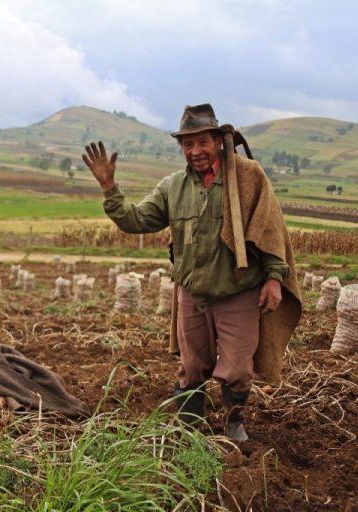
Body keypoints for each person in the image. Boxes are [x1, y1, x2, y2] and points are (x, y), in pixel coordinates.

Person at [82, 103, 301, 441]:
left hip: (237, 290)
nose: (195, 151)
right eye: (188, 144)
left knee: (239, 367)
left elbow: (270, 228)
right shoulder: (173, 187)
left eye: (202, 143)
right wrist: (110, 188)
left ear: (217, 141)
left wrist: (274, 278)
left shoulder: (246, 177)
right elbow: (136, 220)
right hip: (193, 293)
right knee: (192, 366)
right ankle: (189, 428)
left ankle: (233, 422)